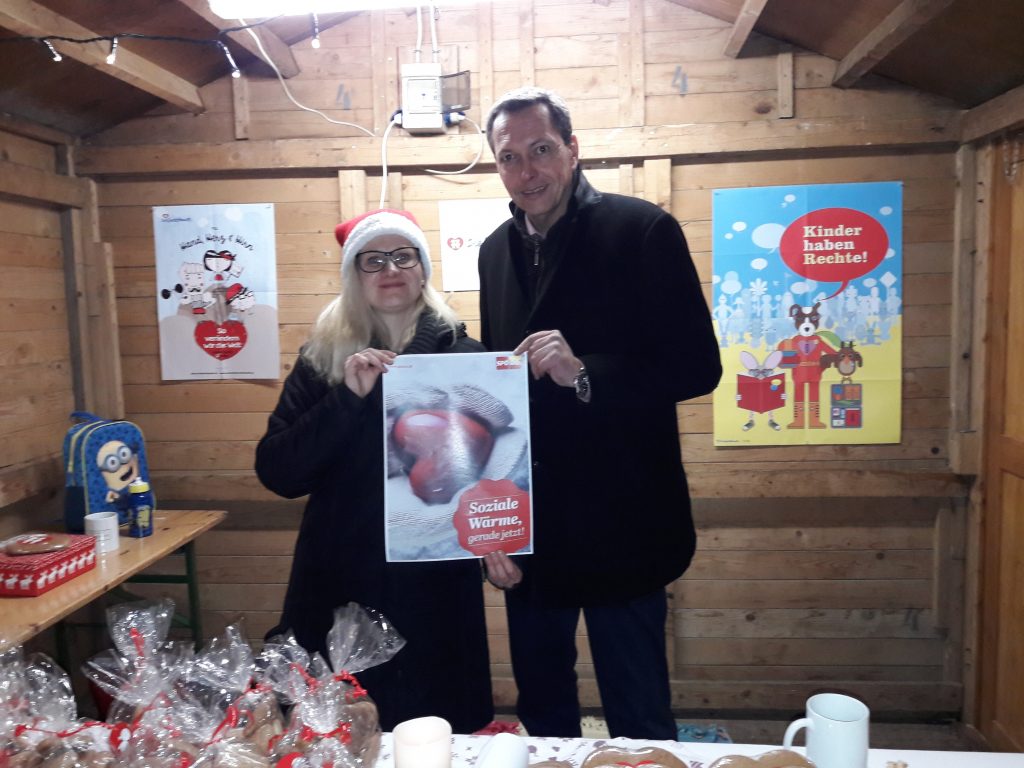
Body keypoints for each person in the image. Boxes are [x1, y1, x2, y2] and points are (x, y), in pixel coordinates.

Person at [477, 88, 722, 739]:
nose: (527, 171)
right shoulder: (493, 252)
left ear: (572, 149)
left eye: (541, 149)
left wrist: (585, 372)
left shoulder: (642, 230)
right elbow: (501, 403)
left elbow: (699, 367)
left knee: (639, 718)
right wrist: (492, 519)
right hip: (534, 531)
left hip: (626, 522)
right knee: (543, 715)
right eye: (509, 157)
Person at [255, 208, 494, 734]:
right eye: (373, 259)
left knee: (435, 730)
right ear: (354, 275)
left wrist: (497, 542)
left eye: (403, 256)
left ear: (422, 269)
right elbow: (279, 471)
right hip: (340, 577)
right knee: (339, 732)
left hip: (433, 584)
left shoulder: (466, 357)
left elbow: (489, 472)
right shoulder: (322, 360)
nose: (390, 269)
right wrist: (347, 397)